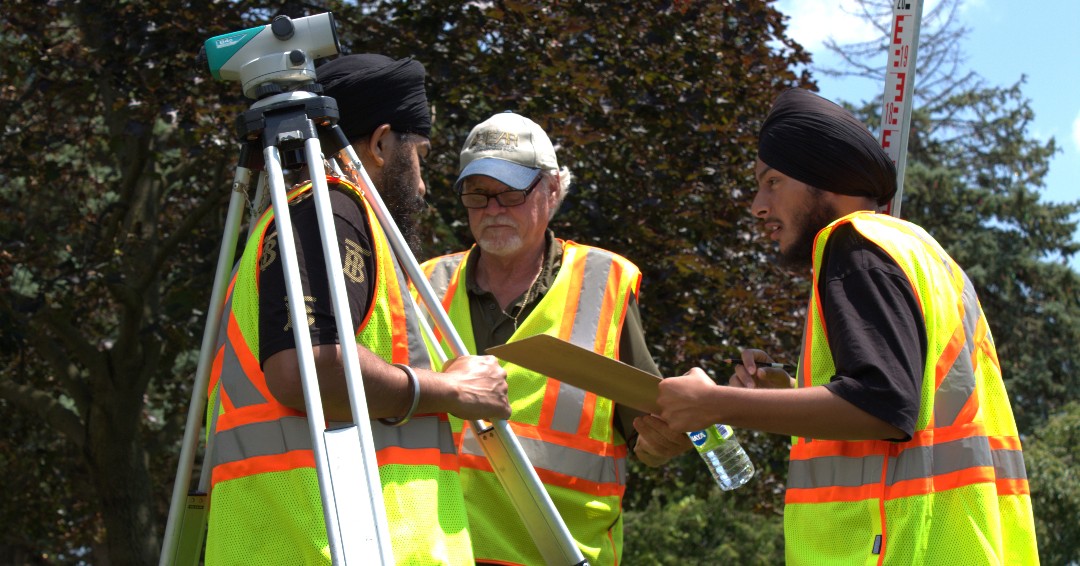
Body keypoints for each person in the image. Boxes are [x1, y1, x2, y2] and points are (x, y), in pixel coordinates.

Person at [650, 88, 1039, 565]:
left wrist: (714, 405)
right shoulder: (920, 252)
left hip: (900, 549)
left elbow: (882, 406)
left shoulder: (851, 245)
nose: (757, 205)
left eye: (772, 182)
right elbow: (912, 407)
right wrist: (789, 392)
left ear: (824, 178)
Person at [203, 54, 511, 566]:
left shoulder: (277, 228)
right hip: (332, 547)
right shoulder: (328, 211)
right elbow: (308, 371)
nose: (422, 186)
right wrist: (451, 389)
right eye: (421, 158)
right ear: (383, 143)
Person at [419, 111, 690, 566]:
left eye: (510, 192)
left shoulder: (604, 284)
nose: (493, 209)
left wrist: (669, 439)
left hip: (562, 556)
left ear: (553, 191)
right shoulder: (422, 285)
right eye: (477, 194)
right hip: (437, 554)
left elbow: (650, 435)